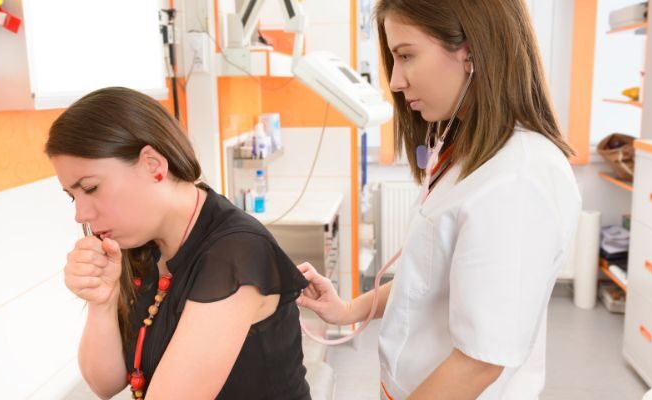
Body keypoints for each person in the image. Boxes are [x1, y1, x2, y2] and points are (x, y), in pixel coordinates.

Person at [296, 0, 582, 399]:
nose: (395, 81)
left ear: (470, 50)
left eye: (406, 56)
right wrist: (349, 309)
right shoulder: (471, 154)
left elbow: (479, 362)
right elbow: (429, 281)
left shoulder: (517, 180)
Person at [45, 87, 311, 400]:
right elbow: (106, 384)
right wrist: (101, 301)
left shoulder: (235, 254)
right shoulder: (140, 246)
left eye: (90, 188)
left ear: (153, 165)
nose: (80, 214)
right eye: (72, 196)